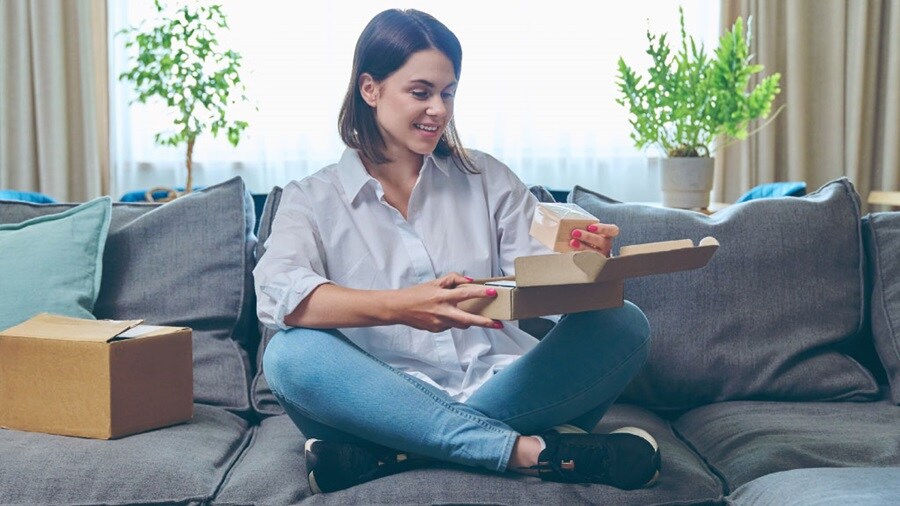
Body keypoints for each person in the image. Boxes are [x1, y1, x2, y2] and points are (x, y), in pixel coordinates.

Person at [253, 8, 660, 495]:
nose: (440, 111)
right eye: (421, 92)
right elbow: (279, 295)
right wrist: (404, 307)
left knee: (624, 322)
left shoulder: (486, 178)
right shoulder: (311, 198)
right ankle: (527, 452)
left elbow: (545, 285)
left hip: (504, 387)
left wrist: (586, 260)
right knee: (288, 354)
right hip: (378, 398)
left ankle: (392, 454)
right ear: (370, 89)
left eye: (448, 94)